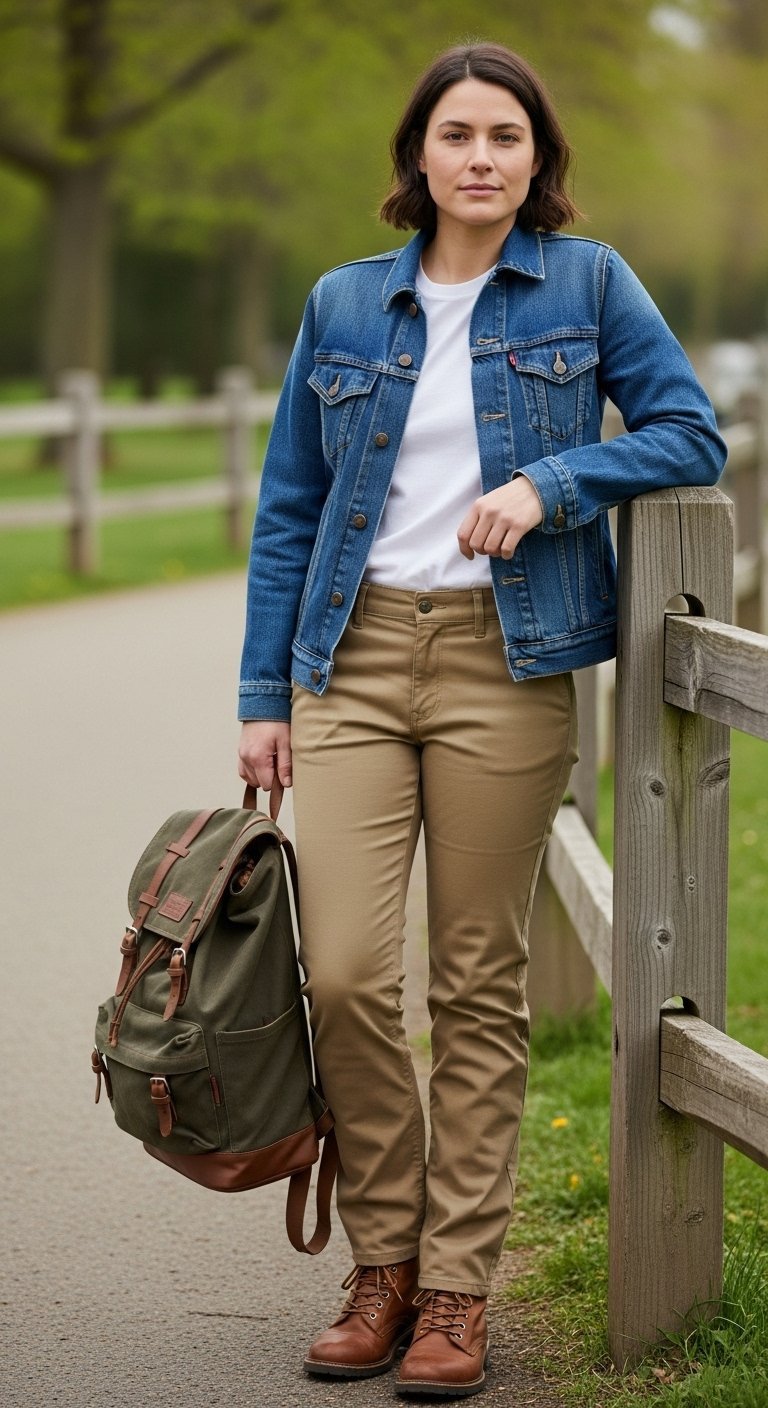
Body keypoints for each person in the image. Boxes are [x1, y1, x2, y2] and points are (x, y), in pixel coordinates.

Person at [237, 42, 725, 1400]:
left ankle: (455, 1288)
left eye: (506, 136)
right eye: (457, 134)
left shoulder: (589, 283)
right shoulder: (344, 303)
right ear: (419, 152)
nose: (480, 158)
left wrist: (552, 483)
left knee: (474, 980)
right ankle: (381, 1262)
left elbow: (690, 432)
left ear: (537, 157)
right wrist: (262, 696)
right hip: (351, 658)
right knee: (344, 974)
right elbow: (289, 512)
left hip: (505, 664)